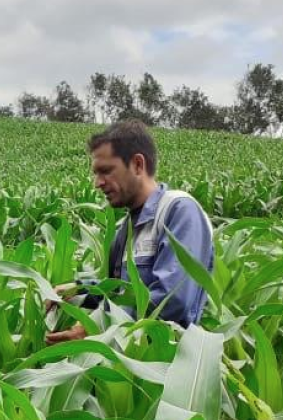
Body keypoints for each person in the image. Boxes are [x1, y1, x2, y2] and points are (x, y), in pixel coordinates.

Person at [46, 120, 213, 344]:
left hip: (167, 366)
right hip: (130, 361)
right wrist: (79, 290)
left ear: (137, 165)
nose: (97, 183)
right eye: (95, 174)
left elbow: (172, 303)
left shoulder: (179, 212)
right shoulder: (126, 229)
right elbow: (120, 294)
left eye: (105, 171)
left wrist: (96, 326)